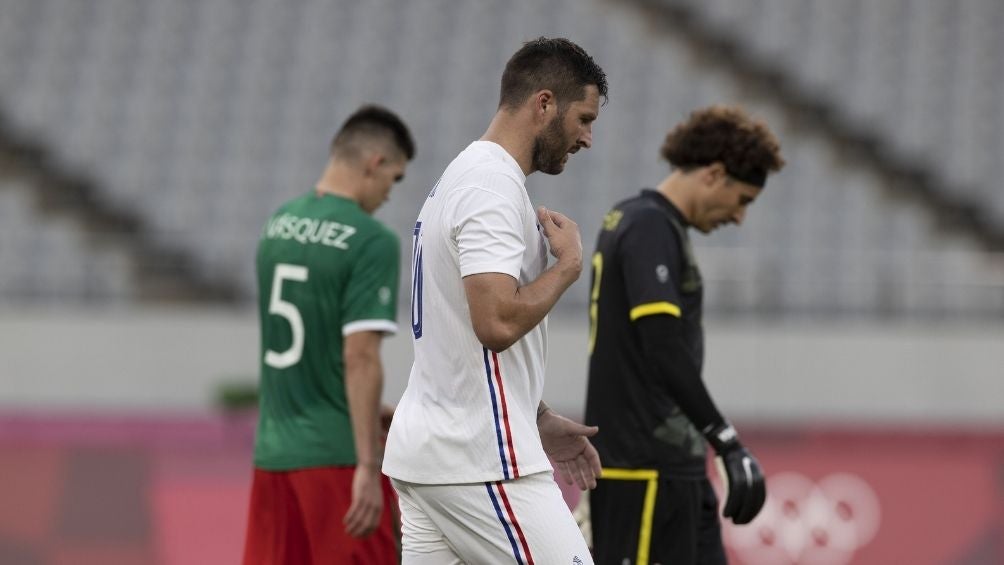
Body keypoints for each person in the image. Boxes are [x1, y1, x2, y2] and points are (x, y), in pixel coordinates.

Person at [382, 37, 608, 564]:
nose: (588, 138)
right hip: (480, 460)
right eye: (584, 118)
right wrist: (569, 266)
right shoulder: (490, 186)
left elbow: (460, 335)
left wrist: (537, 412)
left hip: (432, 458)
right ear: (544, 103)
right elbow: (495, 322)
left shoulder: (465, 175)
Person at [584, 105, 785, 565]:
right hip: (644, 469)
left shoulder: (639, 220)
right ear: (714, 174)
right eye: (743, 199)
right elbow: (663, 346)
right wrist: (727, 439)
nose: (739, 217)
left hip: (674, 465)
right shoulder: (650, 225)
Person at [242, 105, 415, 565]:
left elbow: (304, 349)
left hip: (273, 457)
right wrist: (366, 462)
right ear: (374, 163)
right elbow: (360, 357)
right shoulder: (370, 238)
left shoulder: (277, 224)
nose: (388, 195)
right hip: (337, 458)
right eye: (394, 179)